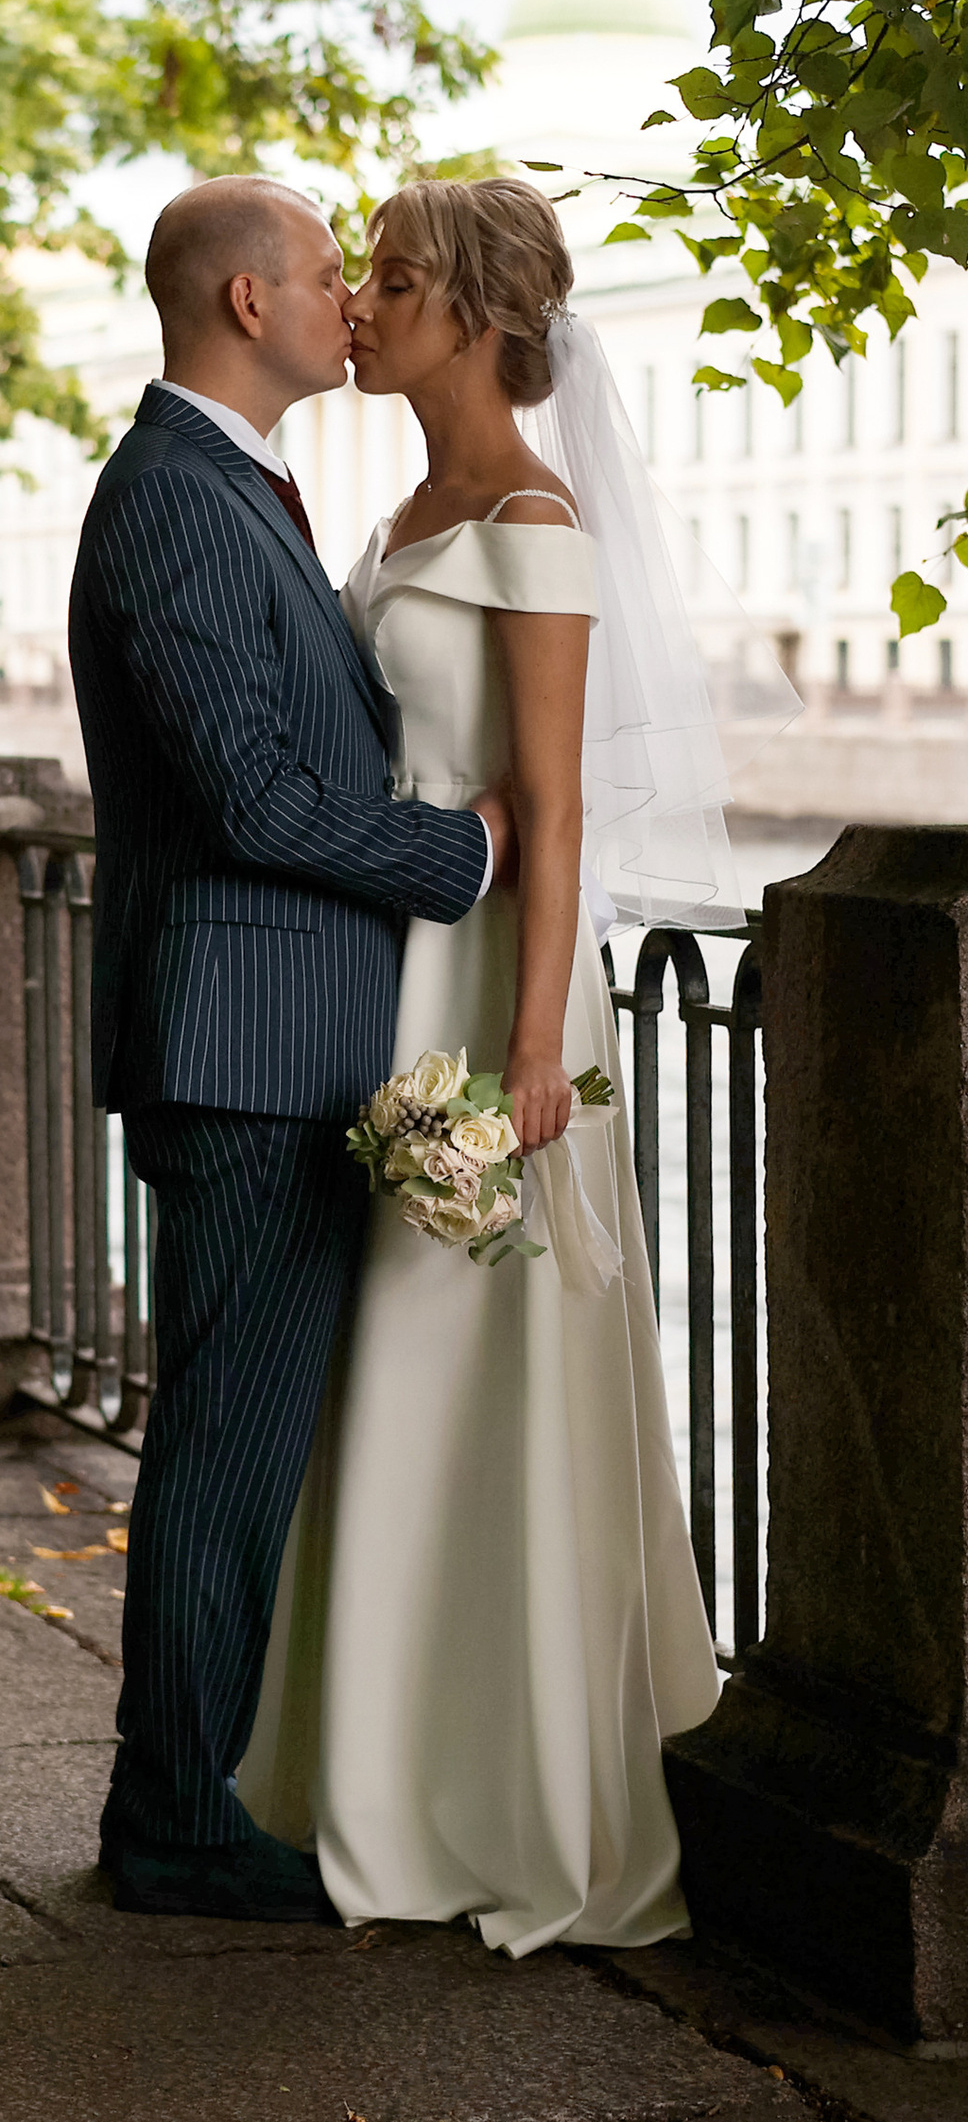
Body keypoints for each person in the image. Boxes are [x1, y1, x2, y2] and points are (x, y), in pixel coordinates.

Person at [234, 177, 737, 1951]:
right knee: (384, 1369)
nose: (356, 303)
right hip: (389, 976)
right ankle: (369, 1768)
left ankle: (509, 1803)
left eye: (388, 279)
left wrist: (531, 1056)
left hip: (488, 1005)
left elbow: (560, 803)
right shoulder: (404, 505)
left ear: (473, 312)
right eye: (354, 274)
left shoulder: (533, 512)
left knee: (484, 1357)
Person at [66, 176, 510, 1923]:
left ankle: (183, 1797)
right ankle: (170, 1825)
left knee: (238, 1440)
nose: (352, 298)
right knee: (226, 1445)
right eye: (330, 276)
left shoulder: (235, 488)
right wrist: (465, 855)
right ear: (248, 304)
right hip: (246, 1044)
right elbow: (251, 795)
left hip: (283, 1036)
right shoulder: (172, 500)